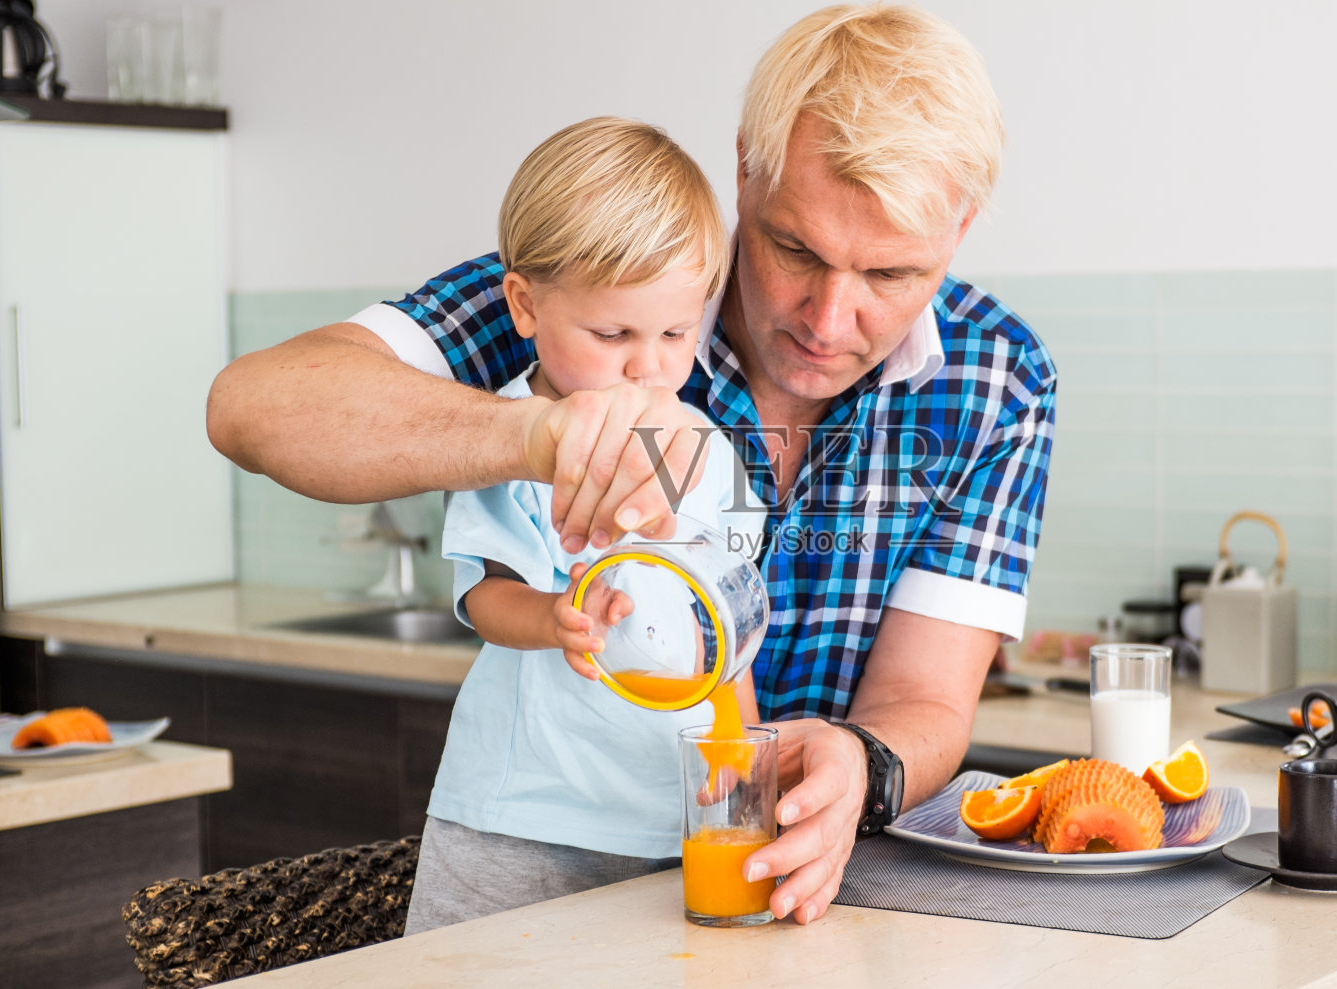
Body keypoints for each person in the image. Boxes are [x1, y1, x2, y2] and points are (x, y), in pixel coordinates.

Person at [207, 3, 1056, 927]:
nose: (825, 317)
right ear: (745, 168)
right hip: (544, 836)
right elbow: (254, 410)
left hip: (785, 887)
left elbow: (924, 697)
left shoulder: (996, 379)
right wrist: (549, 434)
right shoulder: (603, 283)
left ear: (961, 227)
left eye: (889, 276)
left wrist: (863, 762)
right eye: (794, 249)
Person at [405, 116, 763, 934]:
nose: (650, 365)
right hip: (521, 817)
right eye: (614, 334)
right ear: (526, 305)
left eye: (676, 332)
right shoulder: (508, 436)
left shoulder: (713, 452)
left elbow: (731, 628)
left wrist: (735, 745)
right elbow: (485, 595)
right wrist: (553, 620)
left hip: (668, 821)